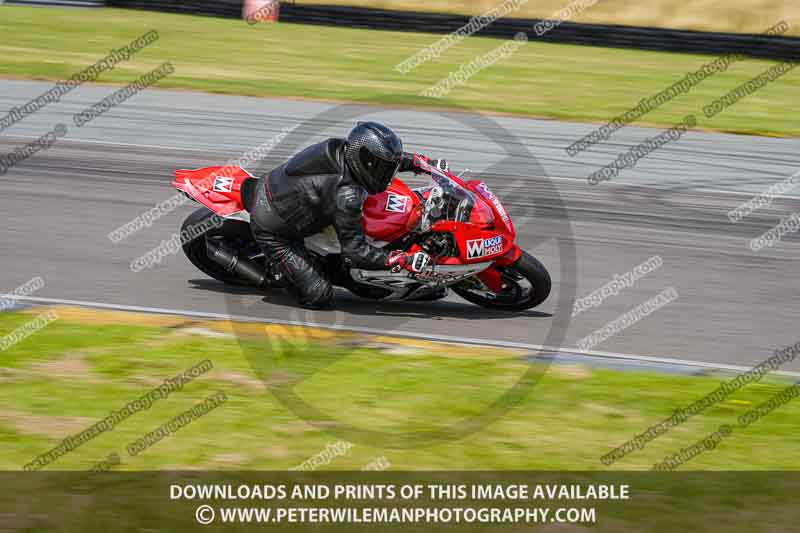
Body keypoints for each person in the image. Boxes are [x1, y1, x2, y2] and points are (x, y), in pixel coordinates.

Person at [250, 121, 448, 309]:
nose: (387, 176)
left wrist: (423, 163)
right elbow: (356, 251)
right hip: (275, 229)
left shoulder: (343, 149)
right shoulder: (346, 195)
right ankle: (283, 272)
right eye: (382, 169)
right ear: (366, 162)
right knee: (318, 295)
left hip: (285, 192)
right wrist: (401, 259)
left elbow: (387, 158)